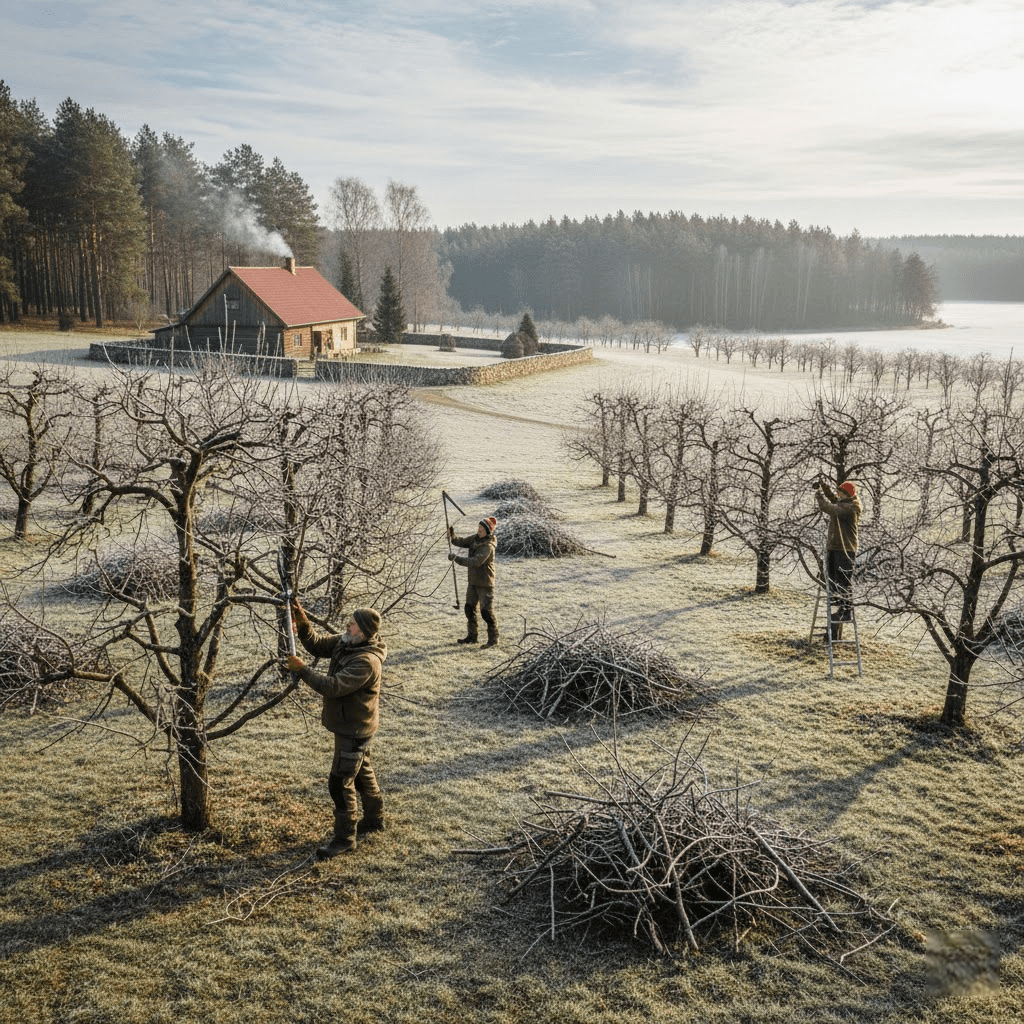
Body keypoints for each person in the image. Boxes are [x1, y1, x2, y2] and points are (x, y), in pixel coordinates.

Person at [286, 604, 387, 859]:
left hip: (355, 729)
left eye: (352, 623)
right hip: (352, 724)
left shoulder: (366, 662)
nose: (347, 625)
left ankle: (344, 839)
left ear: (363, 633)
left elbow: (333, 686)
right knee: (362, 771)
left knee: (340, 783)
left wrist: (303, 670)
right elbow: (317, 644)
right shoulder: (347, 642)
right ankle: (375, 820)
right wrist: (303, 621)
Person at [813, 479, 862, 640]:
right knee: (832, 578)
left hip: (845, 549)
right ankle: (839, 605)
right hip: (835, 547)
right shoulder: (845, 502)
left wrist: (819, 495)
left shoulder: (851, 508)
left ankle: (846, 610)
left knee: (844, 580)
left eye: (840, 492)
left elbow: (829, 508)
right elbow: (834, 500)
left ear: (847, 495)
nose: (837, 494)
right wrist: (825, 487)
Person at [449, 516, 498, 648]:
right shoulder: (475, 538)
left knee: (486, 612)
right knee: (469, 609)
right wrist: (452, 536)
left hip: (485, 583)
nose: (479, 530)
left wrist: (456, 558)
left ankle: (493, 640)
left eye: (482, 528)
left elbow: (476, 562)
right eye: (479, 527)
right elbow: (462, 542)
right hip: (473, 582)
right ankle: (472, 637)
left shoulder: (488, 546)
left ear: (488, 531)